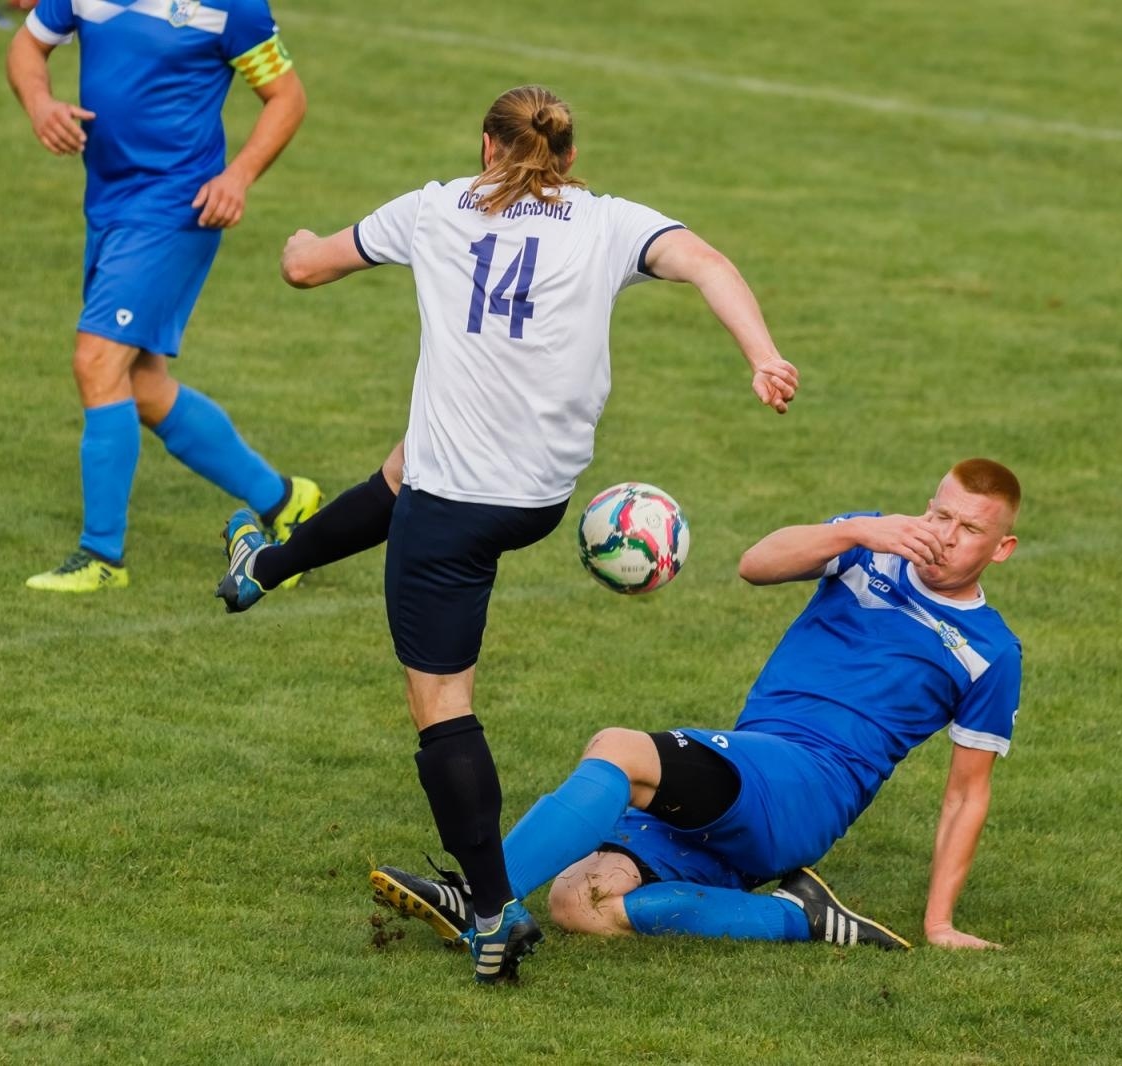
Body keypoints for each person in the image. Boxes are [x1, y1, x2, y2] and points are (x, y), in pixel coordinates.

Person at [214, 85, 799, 982]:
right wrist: (762, 355)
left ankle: (489, 915)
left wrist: (297, 247)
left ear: (488, 147)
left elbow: (306, 268)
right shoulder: (606, 223)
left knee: (443, 708)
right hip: (539, 497)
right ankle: (269, 566)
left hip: (452, 512)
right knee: (405, 462)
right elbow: (710, 261)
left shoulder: (434, 208)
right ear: (563, 155)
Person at [371, 458, 1022, 969]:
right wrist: (856, 530)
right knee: (581, 902)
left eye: (968, 530)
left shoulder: (989, 653)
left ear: (1001, 549)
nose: (943, 536)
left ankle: (477, 897)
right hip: (756, 761)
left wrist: (939, 924)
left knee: (620, 748)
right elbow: (756, 565)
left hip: (811, 785)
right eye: (939, 514)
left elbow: (967, 795)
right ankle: (802, 917)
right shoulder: (869, 546)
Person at [7, 0, 320, 592]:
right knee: (142, 388)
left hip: (177, 209)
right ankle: (284, 500)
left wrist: (238, 176)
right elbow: (27, 43)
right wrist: (40, 103)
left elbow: (288, 97)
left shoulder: (231, 8)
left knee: (96, 360)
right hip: (109, 206)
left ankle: (101, 558)